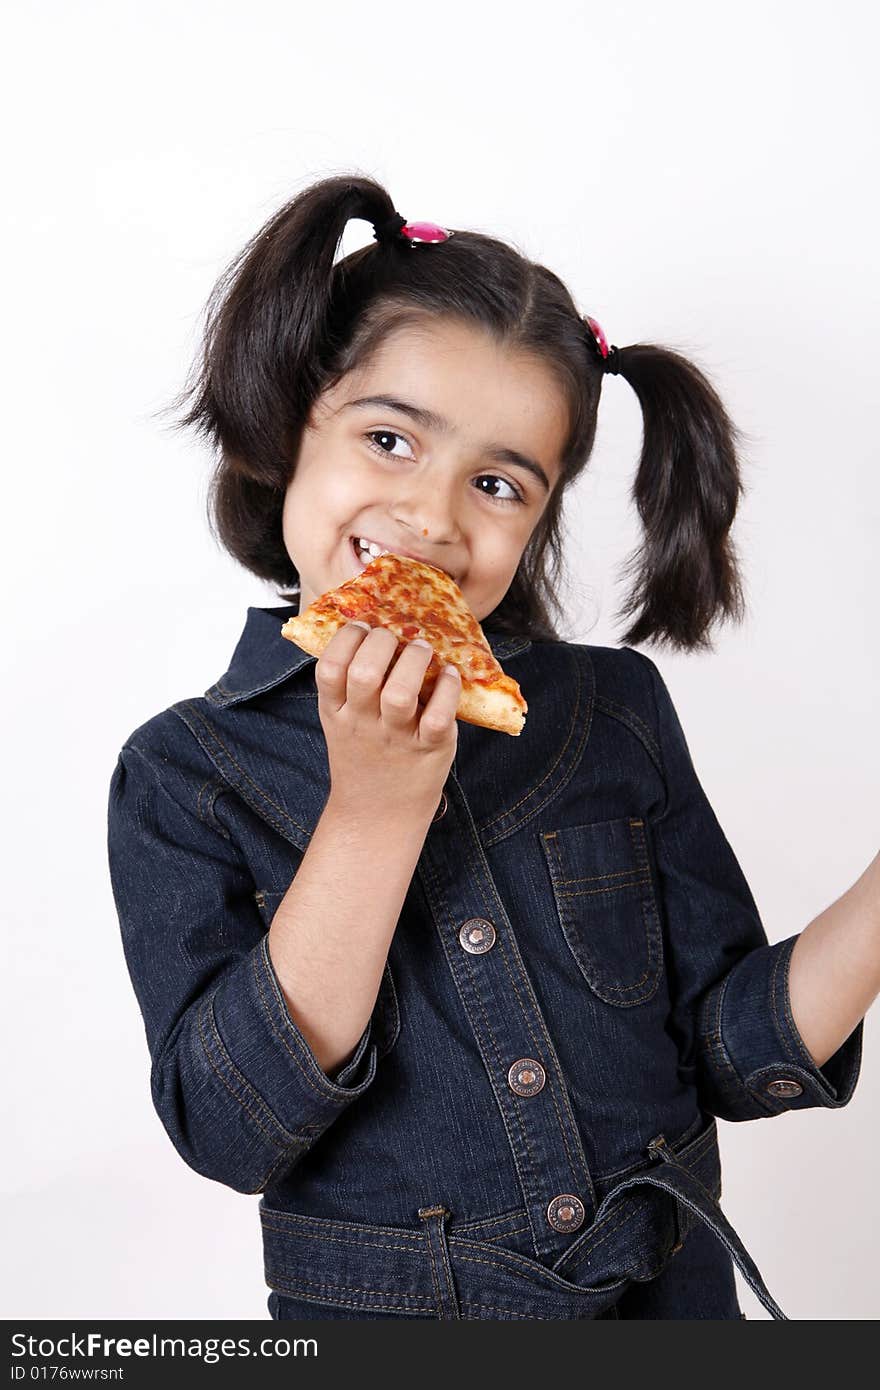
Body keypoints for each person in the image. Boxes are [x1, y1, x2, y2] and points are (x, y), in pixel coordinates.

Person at [106, 173, 877, 1321]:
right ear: (288, 432)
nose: (430, 517)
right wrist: (373, 810)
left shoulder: (616, 712)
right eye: (386, 438)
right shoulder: (185, 774)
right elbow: (230, 1130)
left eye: (498, 483)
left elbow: (726, 1049)